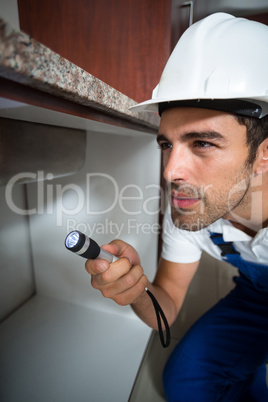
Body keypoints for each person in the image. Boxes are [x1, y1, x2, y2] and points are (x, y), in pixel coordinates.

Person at [85, 13, 268, 401]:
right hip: (258, 297)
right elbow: (165, 306)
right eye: (167, 144)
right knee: (187, 383)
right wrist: (137, 289)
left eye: (202, 143)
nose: (170, 172)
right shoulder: (192, 209)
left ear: (263, 153)